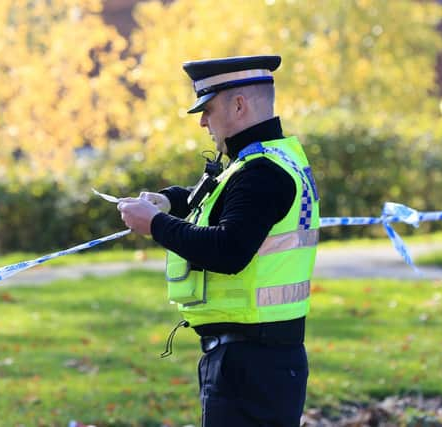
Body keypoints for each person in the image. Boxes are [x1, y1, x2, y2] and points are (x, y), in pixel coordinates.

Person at [118, 55, 320, 426]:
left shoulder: (261, 172)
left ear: (239, 105)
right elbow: (219, 202)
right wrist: (170, 201)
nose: (202, 121)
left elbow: (228, 250)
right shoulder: (262, 161)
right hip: (259, 360)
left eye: (207, 109)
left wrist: (157, 224)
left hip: (251, 365)